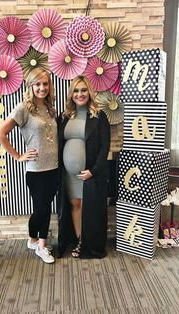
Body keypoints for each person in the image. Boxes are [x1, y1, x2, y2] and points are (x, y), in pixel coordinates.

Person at [0, 68, 58, 264]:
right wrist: (18, 156)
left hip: (54, 168)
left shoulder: (50, 108)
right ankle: (41, 246)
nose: (42, 88)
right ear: (30, 86)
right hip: (36, 170)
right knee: (43, 209)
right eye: (37, 84)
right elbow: (0, 134)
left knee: (43, 207)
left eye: (45, 84)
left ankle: (32, 240)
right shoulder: (23, 108)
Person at [57, 75, 110, 259]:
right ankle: (80, 239)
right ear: (71, 94)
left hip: (90, 173)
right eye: (76, 90)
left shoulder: (99, 115)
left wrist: (93, 171)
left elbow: (105, 147)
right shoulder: (64, 117)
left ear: (89, 92)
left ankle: (90, 243)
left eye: (83, 90)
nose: (80, 94)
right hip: (68, 174)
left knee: (90, 208)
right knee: (74, 204)